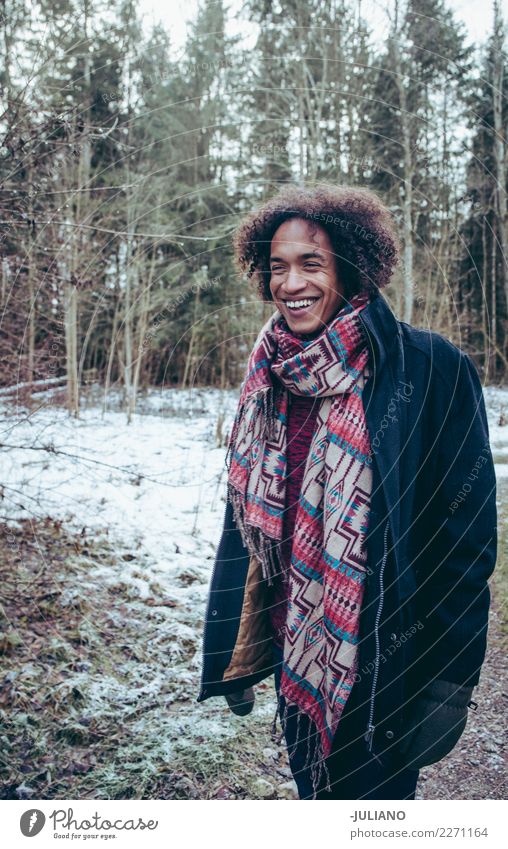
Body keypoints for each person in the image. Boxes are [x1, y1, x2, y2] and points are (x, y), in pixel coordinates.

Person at [197, 184, 497, 800]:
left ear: (352, 267)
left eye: (312, 263)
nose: (291, 283)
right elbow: (248, 527)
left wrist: (448, 681)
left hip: (388, 663)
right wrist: (234, 644)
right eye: (277, 266)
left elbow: (465, 541)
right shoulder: (269, 375)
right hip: (295, 650)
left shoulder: (430, 368)